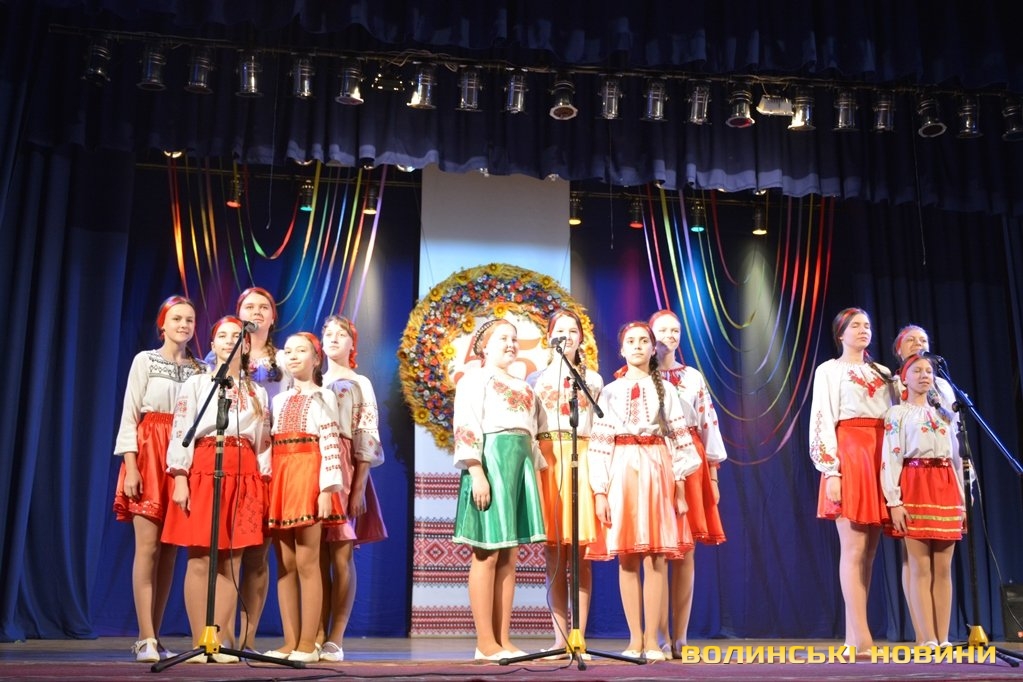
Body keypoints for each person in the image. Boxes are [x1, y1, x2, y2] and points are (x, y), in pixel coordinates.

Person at [588, 321, 700, 662]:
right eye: (630, 341)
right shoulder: (609, 391)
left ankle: (653, 638)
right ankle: (634, 638)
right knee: (627, 556)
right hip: (622, 469)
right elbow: (599, 443)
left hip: (655, 468)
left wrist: (680, 487)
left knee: (656, 556)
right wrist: (600, 491)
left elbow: (679, 441)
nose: (637, 346)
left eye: (643, 341)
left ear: (653, 349)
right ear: (621, 349)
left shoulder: (666, 390)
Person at [162, 316, 271, 663]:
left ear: (247, 344)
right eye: (222, 336)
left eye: (236, 336)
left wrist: (263, 481)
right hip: (206, 466)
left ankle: (219, 642)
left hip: (245, 471)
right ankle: (200, 640)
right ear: (212, 345)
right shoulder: (198, 383)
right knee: (200, 558)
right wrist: (180, 477)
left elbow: (263, 443)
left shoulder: (257, 392)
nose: (229, 341)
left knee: (232, 560)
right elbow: (183, 429)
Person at [112, 295, 205, 662]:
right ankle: (144, 636)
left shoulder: (201, 370)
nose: (184, 325)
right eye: (177, 318)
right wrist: (131, 465)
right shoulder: (145, 360)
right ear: (162, 323)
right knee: (148, 548)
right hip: (149, 454)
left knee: (170, 551)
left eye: (190, 319)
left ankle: (157, 634)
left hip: (183, 459)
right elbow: (130, 415)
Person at [452, 318, 546, 661]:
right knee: (487, 552)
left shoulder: (525, 387)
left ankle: (503, 638)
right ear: (484, 346)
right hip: (491, 462)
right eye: (502, 338)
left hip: (518, 465)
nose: (510, 344)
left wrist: (534, 476)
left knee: (509, 554)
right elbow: (466, 423)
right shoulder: (475, 379)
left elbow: (534, 434)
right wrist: (476, 471)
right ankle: (484, 641)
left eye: (514, 338)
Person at [809, 307, 894, 655]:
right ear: (840, 333)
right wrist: (831, 470)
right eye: (855, 325)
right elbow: (822, 417)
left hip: (880, 455)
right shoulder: (829, 370)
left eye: (867, 325)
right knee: (854, 547)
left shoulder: (883, 372)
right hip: (851, 454)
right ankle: (864, 636)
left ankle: (851, 637)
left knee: (869, 552)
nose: (863, 330)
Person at [264, 332, 348, 662]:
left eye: (301, 350)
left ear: (316, 359)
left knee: (307, 562)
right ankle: (290, 640)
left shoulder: (324, 396)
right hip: (282, 476)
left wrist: (328, 489)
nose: (294, 356)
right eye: (288, 351)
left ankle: (309, 643)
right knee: (285, 564)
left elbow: (330, 444)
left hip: (309, 475)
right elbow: (269, 444)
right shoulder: (279, 400)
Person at [648, 309, 727, 658]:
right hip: (652, 456)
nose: (670, 335)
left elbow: (709, 423)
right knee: (659, 548)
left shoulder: (692, 376)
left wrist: (713, 473)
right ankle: (659, 635)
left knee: (686, 549)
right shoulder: (637, 374)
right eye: (663, 330)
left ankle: (681, 635)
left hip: (691, 458)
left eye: (676, 330)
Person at [525, 309, 604, 659]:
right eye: (560, 330)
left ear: (581, 338)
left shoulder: (594, 380)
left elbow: (600, 431)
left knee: (581, 555)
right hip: (548, 460)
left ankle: (578, 637)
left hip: (581, 458)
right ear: (549, 337)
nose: (567, 336)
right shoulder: (535, 379)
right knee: (554, 554)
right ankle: (559, 639)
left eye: (573, 331)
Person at [881, 353, 964, 648]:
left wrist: (963, 500)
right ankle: (926, 637)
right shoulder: (897, 414)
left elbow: (956, 458)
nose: (924, 375)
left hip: (945, 484)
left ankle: (943, 638)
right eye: (917, 371)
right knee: (920, 566)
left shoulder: (944, 414)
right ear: (904, 378)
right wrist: (894, 501)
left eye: (928, 371)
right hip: (915, 483)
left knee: (943, 568)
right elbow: (891, 457)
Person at [317, 315, 388, 663]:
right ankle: (314, 634)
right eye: (328, 333)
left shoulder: (359, 382)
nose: (333, 338)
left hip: (345, 467)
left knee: (340, 553)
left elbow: (367, 433)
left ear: (352, 343)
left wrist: (358, 487)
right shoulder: (311, 380)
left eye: (341, 333)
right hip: (310, 463)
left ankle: (336, 637)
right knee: (312, 555)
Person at [231, 286, 286, 650]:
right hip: (233, 458)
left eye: (263, 306)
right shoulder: (222, 355)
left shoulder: (286, 358)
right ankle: (220, 635)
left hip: (274, 460)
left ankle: (246, 640)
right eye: (249, 306)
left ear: (272, 316)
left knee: (258, 553)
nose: (256, 311)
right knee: (228, 551)